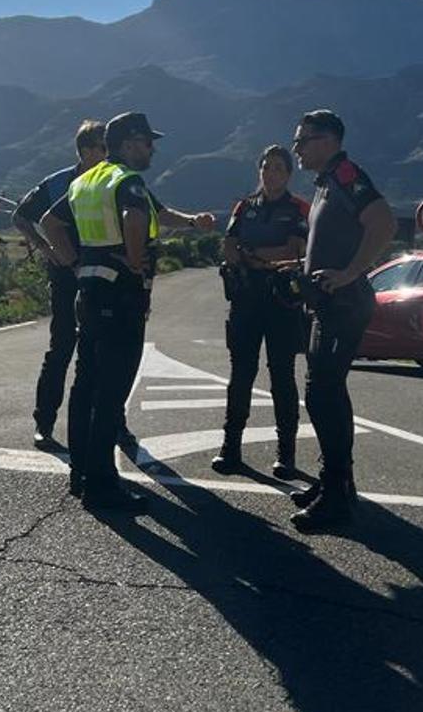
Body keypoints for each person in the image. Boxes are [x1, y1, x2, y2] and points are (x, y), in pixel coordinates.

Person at [42, 111, 215, 512]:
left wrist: (71, 263)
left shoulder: (89, 180)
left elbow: (51, 223)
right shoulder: (127, 181)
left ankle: (81, 475)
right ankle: (103, 486)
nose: (152, 148)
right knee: (111, 391)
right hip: (121, 298)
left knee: (85, 385)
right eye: (146, 141)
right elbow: (135, 216)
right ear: (127, 143)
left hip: (88, 292)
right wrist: (136, 261)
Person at [290, 110, 396, 530]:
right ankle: (336, 483)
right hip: (327, 303)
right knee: (322, 394)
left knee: (325, 394)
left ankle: (337, 497)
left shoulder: (348, 175)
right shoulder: (327, 182)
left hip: (344, 303)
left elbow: (383, 222)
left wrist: (351, 273)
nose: (297, 147)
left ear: (330, 140)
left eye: (304, 140)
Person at [214, 145, 308, 479]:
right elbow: (228, 243)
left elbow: (296, 250)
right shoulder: (245, 206)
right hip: (246, 301)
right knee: (240, 374)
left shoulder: (298, 208)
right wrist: (250, 257)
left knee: (282, 376)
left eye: (278, 168)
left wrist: (254, 255)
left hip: (282, 303)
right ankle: (231, 447)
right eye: (266, 167)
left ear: (288, 174)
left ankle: (286, 454)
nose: (271, 174)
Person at [12, 119, 106, 451]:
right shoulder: (57, 183)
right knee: (62, 347)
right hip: (66, 277)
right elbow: (21, 216)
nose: (107, 155)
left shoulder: (111, 182)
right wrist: (47, 249)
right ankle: (44, 424)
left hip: (102, 277)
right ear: (86, 151)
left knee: (103, 353)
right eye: (102, 149)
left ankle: (112, 424)